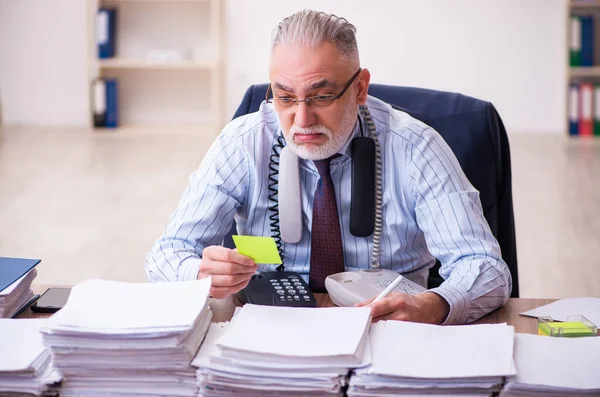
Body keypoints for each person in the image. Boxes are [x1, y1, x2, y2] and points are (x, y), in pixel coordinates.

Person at [145, 9, 512, 325]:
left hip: (386, 330)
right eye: (285, 97)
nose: (301, 119)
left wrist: (433, 305)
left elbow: (485, 267)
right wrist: (198, 273)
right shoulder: (244, 142)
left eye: (322, 96)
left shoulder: (416, 147)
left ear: (360, 88)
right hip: (269, 328)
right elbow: (166, 253)